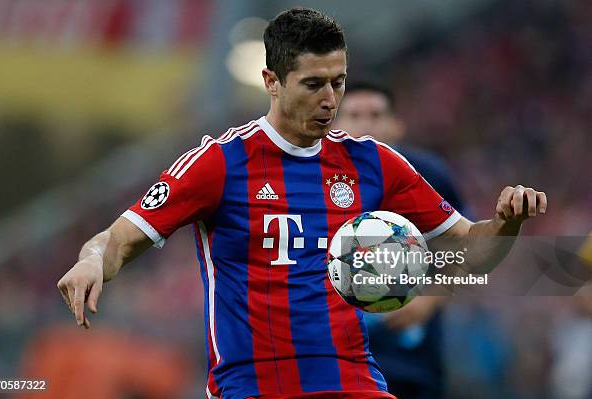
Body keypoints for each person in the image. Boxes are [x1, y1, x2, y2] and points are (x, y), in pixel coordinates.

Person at [57, 8, 547, 399]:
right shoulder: (220, 163)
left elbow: (469, 250)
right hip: (252, 385)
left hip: (353, 379)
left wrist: (506, 226)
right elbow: (119, 239)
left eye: (338, 82)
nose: (331, 99)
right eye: (314, 84)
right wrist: (91, 260)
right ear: (272, 81)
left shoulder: (373, 163)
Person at [334, 80, 468, 399]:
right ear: (335, 125)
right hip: (337, 355)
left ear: (397, 125)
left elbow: (468, 245)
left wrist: (432, 297)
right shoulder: (312, 176)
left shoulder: (429, 175)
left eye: (376, 115)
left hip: (411, 355)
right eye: (354, 115)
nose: (366, 125)